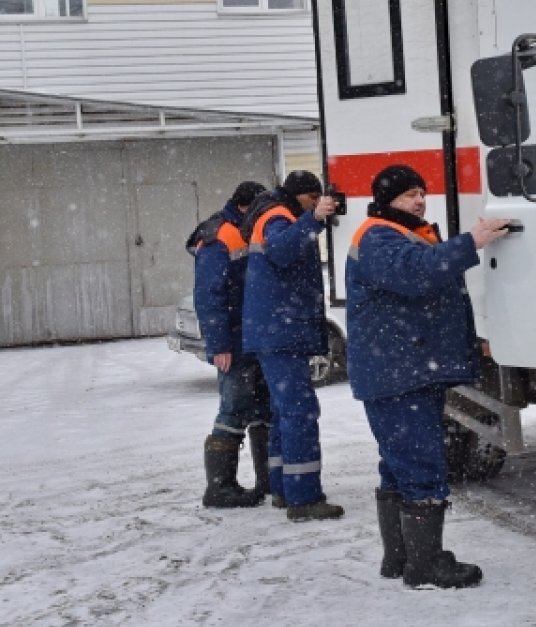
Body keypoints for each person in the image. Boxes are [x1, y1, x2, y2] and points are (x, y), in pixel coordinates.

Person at [345, 164, 510, 588]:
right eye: (408, 195)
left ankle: (399, 558)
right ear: (387, 201)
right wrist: (472, 241)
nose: (419, 200)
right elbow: (418, 274)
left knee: (398, 465)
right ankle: (425, 564)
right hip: (399, 375)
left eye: (421, 192)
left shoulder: (404, 235)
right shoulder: (377, 235)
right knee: (420, 464)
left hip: (403, 370)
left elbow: (430, 298)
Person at [242, 170, 344, 521]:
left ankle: (283, 487)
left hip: (275, 331)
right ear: (298, 195)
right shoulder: (277, 215)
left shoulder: (274, 212)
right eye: (312, 199)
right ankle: (303, 497)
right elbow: (283, 252)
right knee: (300, 412)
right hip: (281, 332)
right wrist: (313, 220)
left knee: (284, 412)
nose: (316, 205)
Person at [186, 180, 270, 508]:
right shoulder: (219, 236)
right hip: (234, 341)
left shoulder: (246, 229)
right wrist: (219, 344)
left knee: (263, 409)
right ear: (245, 207)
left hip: (254, 337)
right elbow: (208, 295)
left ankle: (267, 479)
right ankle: (219, 488)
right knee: (234, 410)